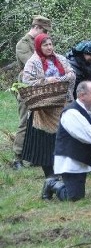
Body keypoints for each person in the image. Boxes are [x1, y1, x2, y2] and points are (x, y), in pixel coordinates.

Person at [21, 33, 76, 178]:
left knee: (62, 139)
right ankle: (49, 175)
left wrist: (63, 79)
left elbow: (71, 73)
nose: (49, 47)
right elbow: (27, 82)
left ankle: (63, 171)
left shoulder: (60, 59)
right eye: (45, 45)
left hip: (62, 104)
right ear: (39, 46)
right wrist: (46, 81)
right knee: (45, 143)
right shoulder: (33, 62)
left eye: (50, 44)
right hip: (43, 109)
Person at [12, 15, 52, 170]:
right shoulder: (22, 44)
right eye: (44, 30)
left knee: (38, 121)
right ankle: (17, 158)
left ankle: (34, 155)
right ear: (37, 27)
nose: (47, 34)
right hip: (26, 87)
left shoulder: (40, 43)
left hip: (40, 86)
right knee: (24, 122)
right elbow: (35, 65)